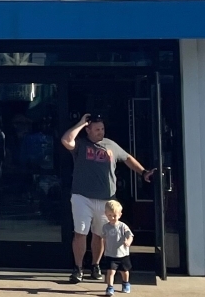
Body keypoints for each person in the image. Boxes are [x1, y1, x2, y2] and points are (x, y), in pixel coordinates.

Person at [60, 113, 152, 284]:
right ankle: (78, 268)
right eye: (96, 129)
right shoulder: (81, 144)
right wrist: (81, 123)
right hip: (82, 197)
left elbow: (127, 158)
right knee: (80, 232)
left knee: (99, 234)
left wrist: (143, 172)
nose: (100, 132)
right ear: (88, 130)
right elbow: (66, 140)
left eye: (102, 129)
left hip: (106, 199)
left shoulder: (111, 145)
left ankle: (95, 265)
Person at [99, 199, 134, 296]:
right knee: (110, 272)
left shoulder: (123, 226)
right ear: (106, 214)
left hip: (123, 254)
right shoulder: (105, 227)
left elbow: (130, 235)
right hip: (110, 254)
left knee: (124, 271)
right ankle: (110, 287)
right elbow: (103, 238)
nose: (112, 218)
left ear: (120, 215)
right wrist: (104, 249)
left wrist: (128, 242)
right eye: (109, 215)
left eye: (114, 215)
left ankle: (126, 283)